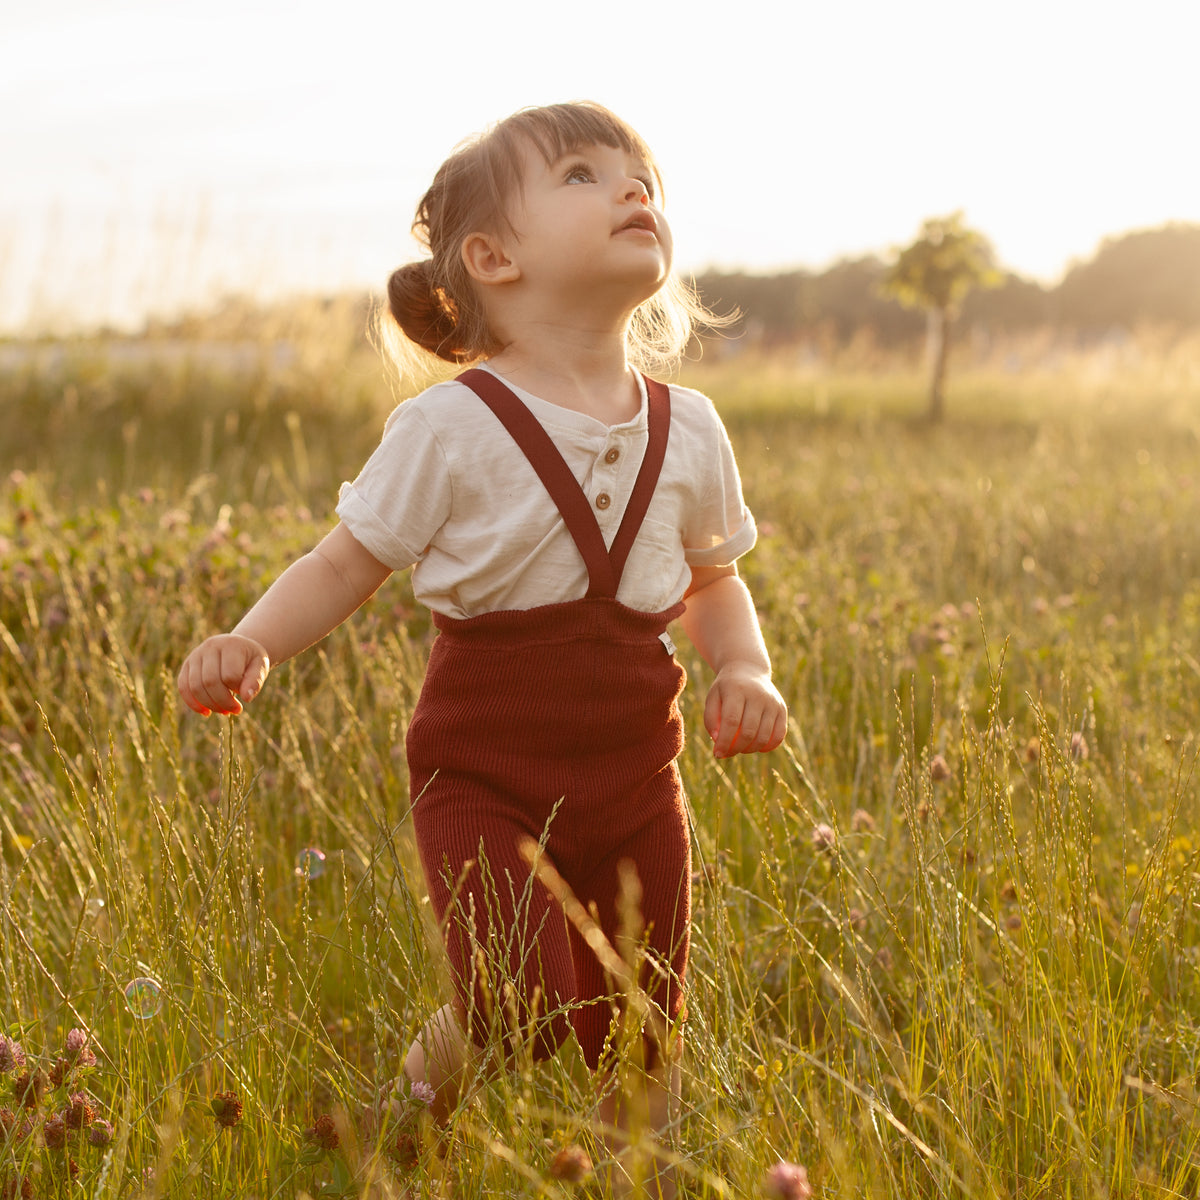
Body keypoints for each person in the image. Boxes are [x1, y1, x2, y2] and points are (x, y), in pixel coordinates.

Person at [177, 101, 787, 1196]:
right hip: (485, 775)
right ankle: (404, 1129)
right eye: (584, 175)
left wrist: (745, 669)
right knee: (519, 999)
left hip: (639, 778)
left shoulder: (688, 426)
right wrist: (251, 640)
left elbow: (713, 578)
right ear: (493, 258)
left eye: (639, 174)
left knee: (644, 1020)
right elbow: (343, 563)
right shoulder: (450, 428)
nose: (632, 190)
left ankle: (630, 1177)